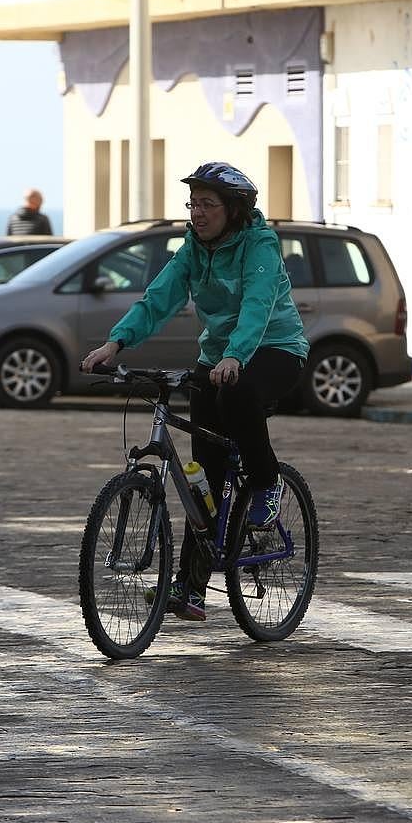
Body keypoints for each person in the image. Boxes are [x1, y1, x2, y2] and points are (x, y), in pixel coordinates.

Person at [80, 161, 309, 622]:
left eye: (208, 204)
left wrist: (237, 356)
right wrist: (115, 342)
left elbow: (258, 304)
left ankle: (266, 484)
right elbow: (158, 297)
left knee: (238, 397)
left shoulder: (260, 244)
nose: (198, 212)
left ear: (234, 210)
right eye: (194, 203)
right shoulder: (192, 249)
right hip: (220, 357)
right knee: (202, 476)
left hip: (273, 349)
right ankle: (191, 588)